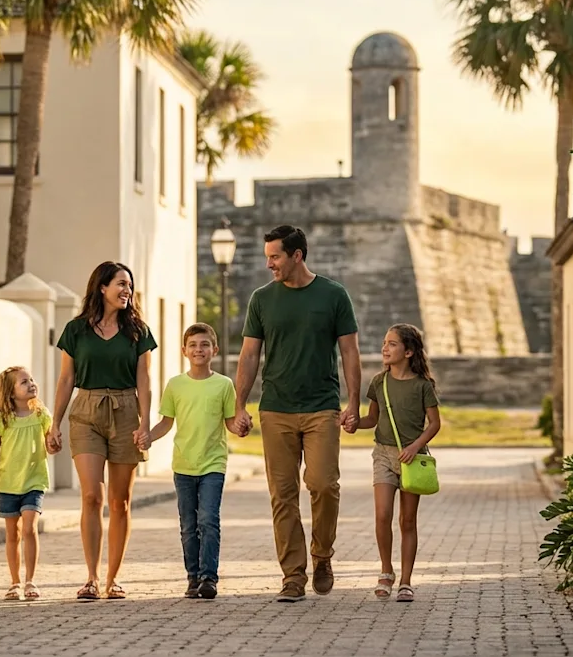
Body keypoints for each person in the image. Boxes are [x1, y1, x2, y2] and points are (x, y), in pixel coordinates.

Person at [234, 225, 362, 603]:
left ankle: (322, 555)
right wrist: (240, 405)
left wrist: (354, 403)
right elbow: (249, 355)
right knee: (283, 495)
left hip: (322, 407)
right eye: (267, 256)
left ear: (297, 256)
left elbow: (350, 352)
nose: (269, 263)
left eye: (275, 256)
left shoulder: (334, 295)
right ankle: (293, 575)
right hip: (276, 409)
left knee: (324, 484)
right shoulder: (261, 299)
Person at [47, 261, 156, 601]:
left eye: (130, 286)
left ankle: (113, 579)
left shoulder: (138, 331)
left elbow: (144, 379)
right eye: (121, 284)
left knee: (120, 501)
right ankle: (91, 578)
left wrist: (144, 423)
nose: (127, 291)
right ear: (102, 288)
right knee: (91, 496)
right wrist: (55, 423)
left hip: (125, 410)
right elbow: (66, 378)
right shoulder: (76, 330)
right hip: (86, 411)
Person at [150, 323, 249, 600]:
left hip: (213, 464)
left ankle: (209, 577)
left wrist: (240, 426)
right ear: (184, 351)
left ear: (214, 350)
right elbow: (166, 423)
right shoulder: (175, 385)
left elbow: (230, 422)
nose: (199, 349)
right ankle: (192, 576)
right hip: (183, 465)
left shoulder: (223, 385)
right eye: (193, 345)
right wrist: (147, 437)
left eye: (204, 344)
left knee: (208, 520)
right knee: (188, 525)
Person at [345, 324, 441, 603]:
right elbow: (371, 420)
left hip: (414, 459)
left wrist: (414, 447)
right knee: (383, 515)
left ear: (409, 351)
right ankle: (386, 571)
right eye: (385, 343)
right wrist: (353, 423)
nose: (385, 348)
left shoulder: (423, 386)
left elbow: (434, 424)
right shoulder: (379, 382)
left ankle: (406, 581)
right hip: (383, 456)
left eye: (392, 344)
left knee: (407, 521)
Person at [0, 366, 52, 601]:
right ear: (11, 393)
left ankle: (31, 581)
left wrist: (54, 443)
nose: (31, 383)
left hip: (34, 480)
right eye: (24, 382)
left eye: (31, 379)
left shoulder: (42, 415)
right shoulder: (2, 420)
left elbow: (51, 441)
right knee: (13, 534)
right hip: (8, 484)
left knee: (30, 528)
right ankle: (15, 582)